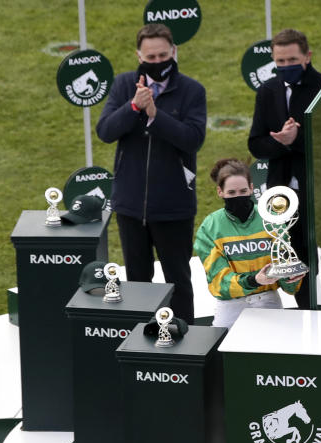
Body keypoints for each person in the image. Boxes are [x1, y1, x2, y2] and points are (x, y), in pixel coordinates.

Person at [96, 23, 206, 324]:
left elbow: (193, 139)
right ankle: (141, 346)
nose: (157, 62)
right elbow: (105, 131)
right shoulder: (122, 86)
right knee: (138, 282)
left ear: (174, 51)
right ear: (138, 55)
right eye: (150, 57)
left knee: (178, 281)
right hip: (130, 205)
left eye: (162, 56)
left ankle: (184, 339)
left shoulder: (191, 90)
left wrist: (156, 117)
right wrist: (133, 107)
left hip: (174, 205)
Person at [248, 29, 321, 310]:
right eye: (279, 62)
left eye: (291, 59)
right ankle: (300, 312)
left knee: (312, 254)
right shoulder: (267, 91)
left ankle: (316, 309)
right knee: (290, 257)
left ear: (307, 56)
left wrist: (297, 140)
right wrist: (281, 143)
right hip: (280, 192)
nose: (285, 67)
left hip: (316, 190)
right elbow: (256, 144)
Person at [194, 158, 304, 328]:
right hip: (230, 306)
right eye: (231, 192)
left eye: (243, 190)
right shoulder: (209, 227)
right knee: (222, 353)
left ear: (252, 188)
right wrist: (254, 280)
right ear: (220, 192)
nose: (238, 196)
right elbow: (219, 283)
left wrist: (291, 277)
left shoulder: (272, 219)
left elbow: (288, 282)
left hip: (268, 301)